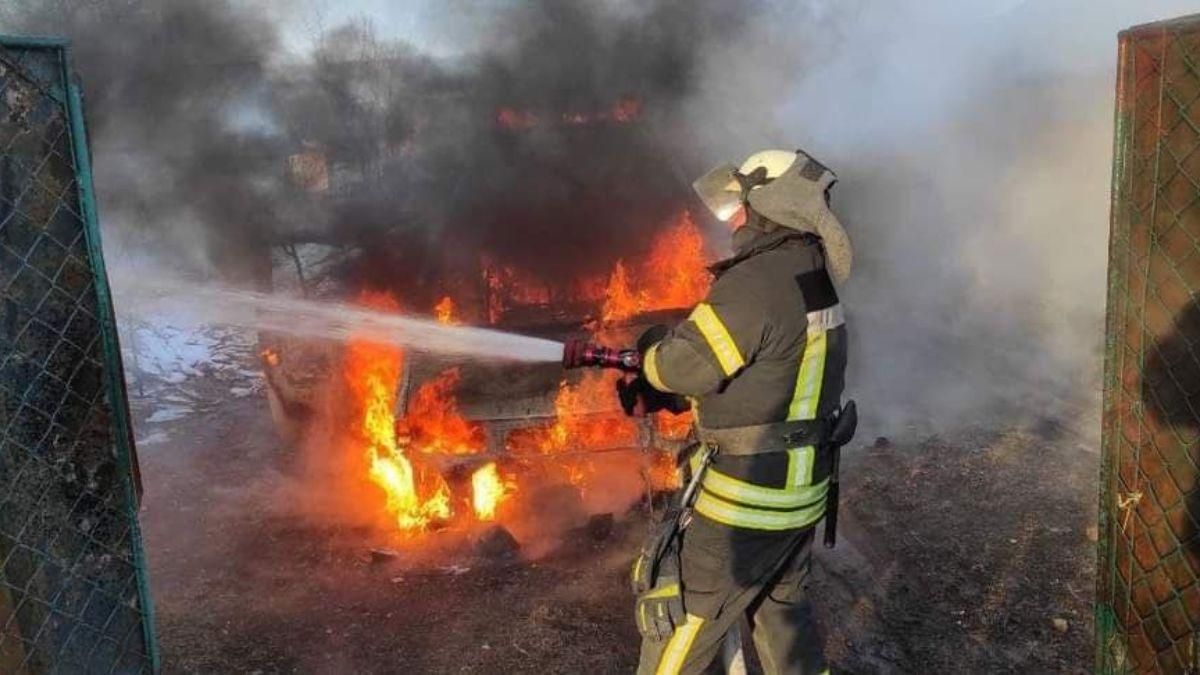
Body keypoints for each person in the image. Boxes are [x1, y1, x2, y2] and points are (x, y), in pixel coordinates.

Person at [627, 149, 853, 675]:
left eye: (745, 204)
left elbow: (682, 370)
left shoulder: (756, 282)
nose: (738, 217)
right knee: (783, 620)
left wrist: (652, 353)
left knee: (684, 614)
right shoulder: (809, 271)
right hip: (802, 493)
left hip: (747, 501)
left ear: (768, 205)